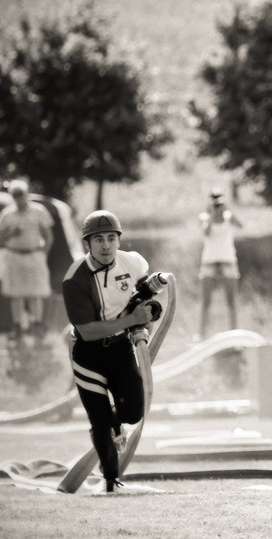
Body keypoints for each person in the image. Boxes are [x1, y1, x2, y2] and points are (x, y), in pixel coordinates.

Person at [62, 210, 162, 494]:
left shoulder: (134, 262)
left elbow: (145, 294)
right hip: (88, 354)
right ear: (88, 244)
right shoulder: (74, 278)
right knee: (100, 418)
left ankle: (111, 426)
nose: (105, 245)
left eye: (110, 238)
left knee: (133, 411)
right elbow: (87, 331)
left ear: (118, 241)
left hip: (120, 348)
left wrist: (146, 315)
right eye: (98, 240)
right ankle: (111, 481)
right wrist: (132, 320)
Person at [0, 180, 53, 343]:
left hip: (34, 254)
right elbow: (1, 238)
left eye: (20, 194)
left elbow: (48, 236)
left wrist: (43, 254)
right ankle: (17, 326)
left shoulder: (39, 211)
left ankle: (36, 325)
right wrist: (11, 233)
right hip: (14, 255)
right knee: (15, 294)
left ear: (26, 194)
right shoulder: (7, 214)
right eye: (14, 195)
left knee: (35, 293)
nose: (18, 198)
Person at [197, 188, 242, 341]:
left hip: (228, 261)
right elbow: (206, 232)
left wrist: (227, 210)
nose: (217, 203)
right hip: (209, 262)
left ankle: (234, 333)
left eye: (219, 199)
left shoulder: (228, 217)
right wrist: (211, 214)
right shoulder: (204, 217)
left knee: (231, 300)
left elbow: (240, 225)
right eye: (214, 199)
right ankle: (201, 335)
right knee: (206, 301)